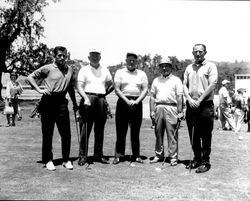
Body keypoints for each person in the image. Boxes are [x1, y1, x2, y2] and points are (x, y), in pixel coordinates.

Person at [27, 46, 78, 171]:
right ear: (54, 56)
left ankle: (66, 160)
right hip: (48, 101)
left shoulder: (70, 69)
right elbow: (30, 77)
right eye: (59, 55)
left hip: (62, 102)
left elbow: (71, 87)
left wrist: (75, 103)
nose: (62, 58)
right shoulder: (48, 68)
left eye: (64, 55)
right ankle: (48, 160)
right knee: (48, 133)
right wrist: (39, 90)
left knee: (66, 133)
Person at [183, 44, 218, 173]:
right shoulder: (189, 68)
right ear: (192, 52)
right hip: (191, 104)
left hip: (205, 105)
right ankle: (197, 159)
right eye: (196, 51)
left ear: (205, 52)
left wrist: (199, 100)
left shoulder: (210, 66)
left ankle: (205, 162)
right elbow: (184, 85)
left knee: (205, 134)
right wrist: (190, 99)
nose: (198, 53)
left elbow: (212, 85)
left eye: (200, 51)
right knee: (194, 134)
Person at [77, 49, 114, 166]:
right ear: (88, 57)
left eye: (97, 55)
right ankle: (83, 156)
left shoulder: (105, 70)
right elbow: (79, 86)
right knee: (85, 129)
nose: (94, 57)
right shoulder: (84, 69)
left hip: (101, 100)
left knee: (99, 130)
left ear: (100, 57)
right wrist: (86, 98)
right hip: (87, 98)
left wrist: (103, 95)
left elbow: (112, 84)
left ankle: (98, 154)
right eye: (92, 55)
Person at [112, 52, 148, 165]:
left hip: (137, 103)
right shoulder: (119, 72)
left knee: (135, 131)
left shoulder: (141, 73)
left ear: (137, 62)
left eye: (134, 60)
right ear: (126, 60)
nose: (131, 62)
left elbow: (145, 89)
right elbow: (117, 89)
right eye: (129, 60)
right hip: (123, 102)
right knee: (121, 131)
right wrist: (127, 101)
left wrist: (137, 101)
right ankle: (118, 155)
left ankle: (136, 155)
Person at [149, 57, 183, 166]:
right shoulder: (156, 80)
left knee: (172, 134)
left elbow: (179, 97)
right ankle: (159, 155)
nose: (164, 68)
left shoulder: (176, 80)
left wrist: (180, 111)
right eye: (162, 66)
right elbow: (152, 97)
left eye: (166, 66)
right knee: (158, 133)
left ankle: (173, 157)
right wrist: (152, 111)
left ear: (170, 67)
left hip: (171, 108)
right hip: (159, 107)